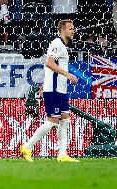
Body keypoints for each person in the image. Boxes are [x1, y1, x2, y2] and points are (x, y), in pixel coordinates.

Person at [20, 19, 80, 162]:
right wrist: (67, 74)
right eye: (70, 29)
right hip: (54, 88)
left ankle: (62, 154)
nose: (73, 31)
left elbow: (49, 67)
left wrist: (44, 84)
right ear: (63, 30)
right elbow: (49, 63)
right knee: (52, 121)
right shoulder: (57, 43)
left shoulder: (62, 46)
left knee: (65, 119)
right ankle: (27, 146)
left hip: (60, 88)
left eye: (73, 28)